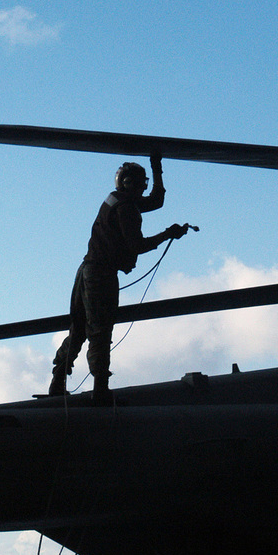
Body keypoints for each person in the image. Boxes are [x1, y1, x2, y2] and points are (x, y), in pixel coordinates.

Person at [49, 155, 191, 402]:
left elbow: (156, 202)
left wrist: (157, 167)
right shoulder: (127, 208)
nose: (142, 190)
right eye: (140, 185)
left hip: (86, 271)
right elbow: (137, 245)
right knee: (100, 330)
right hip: (100, 276)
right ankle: (100, 389)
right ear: (129, 185)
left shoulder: (119, 200)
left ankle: (57, 380)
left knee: (80, 328)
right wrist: (168, 234)